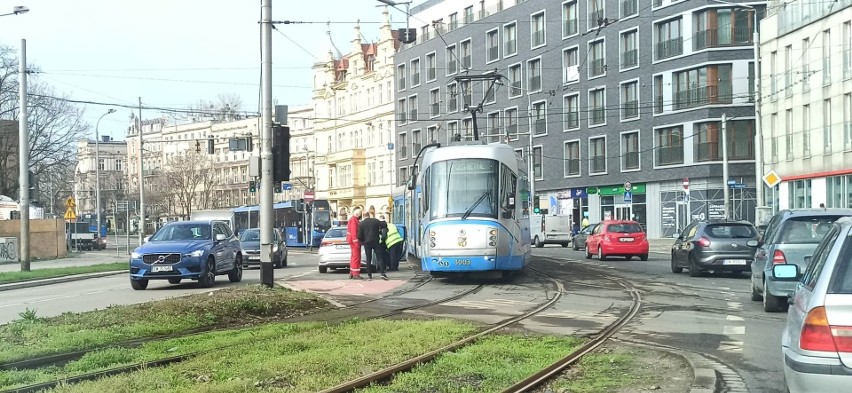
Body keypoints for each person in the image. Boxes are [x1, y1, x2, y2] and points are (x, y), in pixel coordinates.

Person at [358, 211, 387, 280]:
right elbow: (384, 225)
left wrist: (363, 241)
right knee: (379, 257)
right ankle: (382, 273)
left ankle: (369, 275)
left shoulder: (361, 224)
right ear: (369, 215)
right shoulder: (375, 221)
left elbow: (359, 236)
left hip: (366, 243)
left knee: (368, 259)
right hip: (375, 242)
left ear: (363, 216)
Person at [346, 206, 363, 279]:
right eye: (360, 213)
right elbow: (354, 232)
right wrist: (356, 242)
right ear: (357, 213)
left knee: (353, 257)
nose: (360, 215)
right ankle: (356, 273)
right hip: (354, 241)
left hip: (352, 241)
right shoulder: (354, 220)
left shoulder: (353, 219)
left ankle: (352, 272)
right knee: (356, 257)